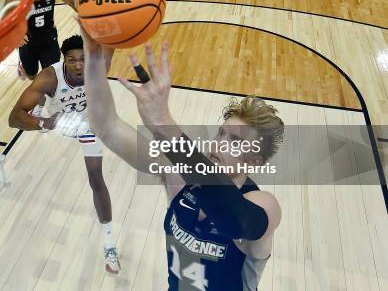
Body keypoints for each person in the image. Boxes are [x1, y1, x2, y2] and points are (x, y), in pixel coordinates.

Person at [81, 25, 284, 290]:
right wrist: (94, 60)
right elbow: (107, 126)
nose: (220, 145)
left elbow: (234, 221)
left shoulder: (263, 204)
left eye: (235, 141)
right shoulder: (178, 177)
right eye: (221, 134)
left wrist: (162, 122)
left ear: (255, 161)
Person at [8, 35, 122, 274]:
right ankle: (42, 109)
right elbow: (14, 118)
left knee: (96, 178)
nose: (79, 65)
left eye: (83, 59)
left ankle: (109, 244)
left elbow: (112, 43)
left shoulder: (97, 68)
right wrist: (45, 123)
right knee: (34, 113)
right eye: (72, 60)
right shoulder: (50, 77)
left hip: (86, 123)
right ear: (64, 62)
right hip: (58, 120)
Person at [4, 0, 76, 81]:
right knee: (31, 76)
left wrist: (93, 18)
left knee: (51, 74)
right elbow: (2, 22)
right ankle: (24, 68)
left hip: (49, 39)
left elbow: (73, 3)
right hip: (28, 43)